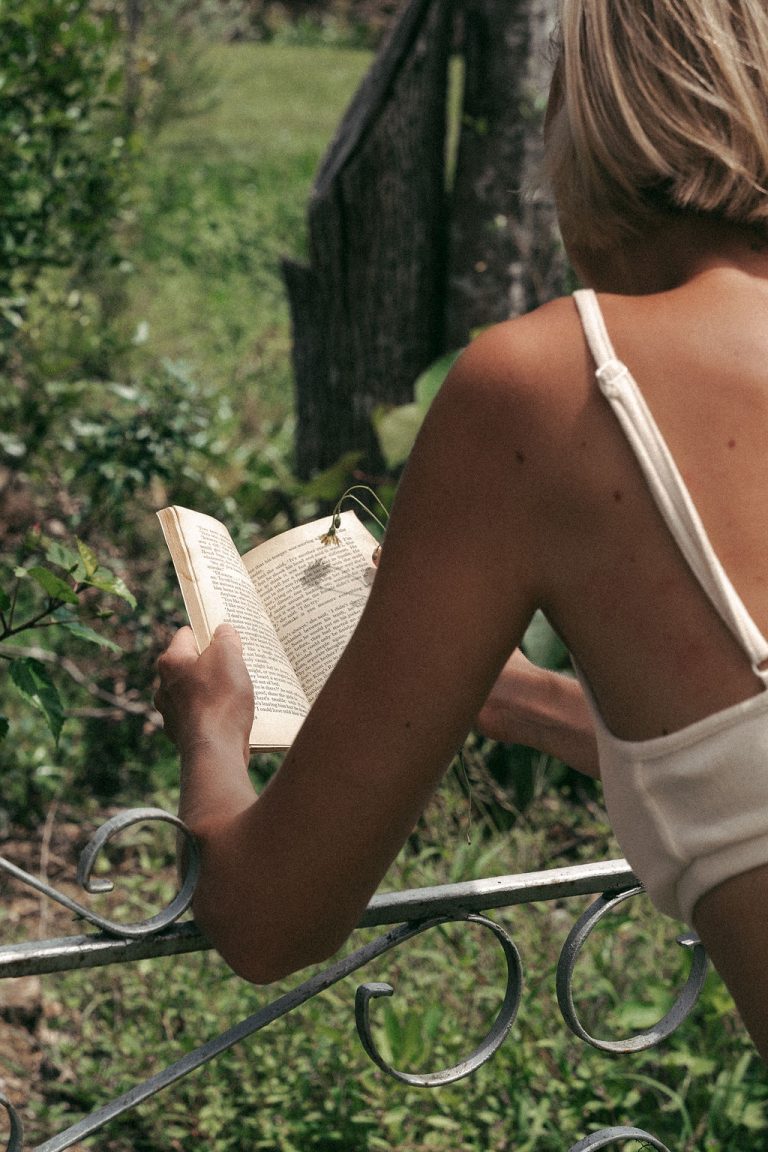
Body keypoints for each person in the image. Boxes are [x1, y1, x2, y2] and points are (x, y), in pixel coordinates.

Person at [155, 0, 768, 1060]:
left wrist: (210, 727)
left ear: (598, 119)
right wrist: (521, 703)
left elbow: (270, 917)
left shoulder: (559, 385)